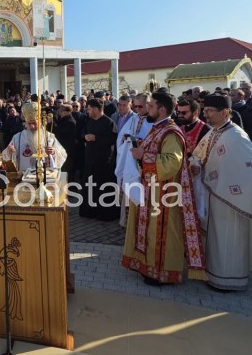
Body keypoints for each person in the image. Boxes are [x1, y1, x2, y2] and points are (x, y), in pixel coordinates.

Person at [191, 95, 252, 291]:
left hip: (230, 199)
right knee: (216, 238)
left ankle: (229, 280)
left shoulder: (235, 135)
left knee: (229, 238)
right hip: (214, 194)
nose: (205, 115)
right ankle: (212, 274)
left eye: (209, 111)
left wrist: (234, 185)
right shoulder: (215, 131)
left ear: (225, 112)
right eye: (205, 111)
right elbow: (200, 156)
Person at [122, 93, 206, 286]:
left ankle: (162, 274)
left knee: (161, 235)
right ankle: (147, 266)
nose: (146, 109)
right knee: (148, 232)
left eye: (150, 106)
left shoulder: (171, 132)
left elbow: (172, 163)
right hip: (151, 190)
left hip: (164, 194)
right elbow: (153, 150)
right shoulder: (158, 128)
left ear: (161, 110)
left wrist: (144, 155)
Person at [115, 93, 153, 227]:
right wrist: (126, 138)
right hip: (130, 162)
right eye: (135, 106)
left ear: (149, 104)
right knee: (129, 188)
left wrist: (138, 141)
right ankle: (128, 223)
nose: (137, 109)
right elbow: (120, 137)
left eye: (140, 106)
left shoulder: (155, 120)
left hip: (145, 165)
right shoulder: (134, 118)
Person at [79, 98, 118, 220]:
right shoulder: (90, 121)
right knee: (89, 187)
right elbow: (82, 133)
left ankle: (104, 214)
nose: (88, 112)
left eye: (89, 109)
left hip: (103, 162)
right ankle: (89, 211)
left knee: (103, 188)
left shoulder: (109, 122)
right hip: (90, 160)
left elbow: (112, 139)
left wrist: (96, 138)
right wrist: (85, 137)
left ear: (96, 109)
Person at [1, 100, 67, 173]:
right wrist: (9, 151)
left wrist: (54, 152)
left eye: (34, 123)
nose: (32, 126)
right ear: (25, 123)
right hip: (24, 177)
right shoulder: (17, 138)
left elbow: (63, 154)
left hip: (45, 176)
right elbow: (4, 156)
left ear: (40, 122)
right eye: (29, 123)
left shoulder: (49, 136)